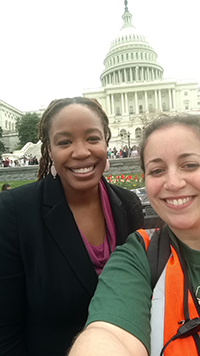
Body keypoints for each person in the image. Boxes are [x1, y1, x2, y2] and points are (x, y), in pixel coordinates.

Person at [0, 96, 144, 356]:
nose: (80, 152)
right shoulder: (14, 211)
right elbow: (5, 331)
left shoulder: (128, 204)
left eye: (92, 138)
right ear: (50, 150)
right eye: (65, 142)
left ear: (106, 142)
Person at [68, 113, 200, 356]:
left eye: (190, 165)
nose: (173, 183)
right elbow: (109, 334)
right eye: (157, 170)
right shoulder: (137, 257)